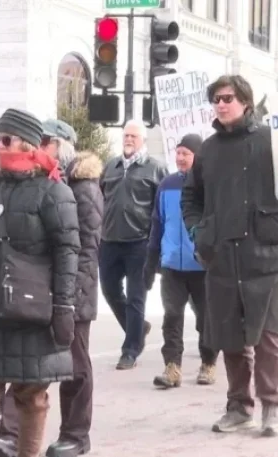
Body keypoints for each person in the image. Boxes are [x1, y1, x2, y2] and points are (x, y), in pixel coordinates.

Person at [0, 108, 80, 457]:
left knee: (31, 396)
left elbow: (69, 252)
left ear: (26, 143)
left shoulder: (53, 193)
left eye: (5, 139)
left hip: (32, 312)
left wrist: (64, 308)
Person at [181, 75, 278, 437]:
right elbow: (191, 198)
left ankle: (272, 407)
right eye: (216, 98)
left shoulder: (273, 142)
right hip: (222, 257)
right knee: (229, 334)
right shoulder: (209, 149)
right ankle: (238, 406)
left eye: (227, 97)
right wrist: (198, 232)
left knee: (268, 335)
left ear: (245, 101)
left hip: (269, 256)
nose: (220, 104)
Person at [0, 119, 103, 457]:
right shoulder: (40, 183)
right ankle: (10, 434)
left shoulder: (84, 189)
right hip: (35, 289)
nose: (40, 148)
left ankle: (76, 435)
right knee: (25, 361)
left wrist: (73, 301)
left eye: (47, 142)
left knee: (76, 365)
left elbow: (84, 250)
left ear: (63, 146)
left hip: (73, 292)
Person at [145, 134, 219, 389]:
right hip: (172, 266)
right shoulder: (166, 185)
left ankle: (208, 363)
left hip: (202, 265)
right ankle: (172, 367)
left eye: (186, 153)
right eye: (178, 152)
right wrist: (151, 260)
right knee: (172, 316)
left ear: (197, 157)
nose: (180, 157)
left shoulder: (209, 185)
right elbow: (157, 223)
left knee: (206, 318)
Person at [99, 119, 168, 370]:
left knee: (136, 297)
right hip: (109, 240)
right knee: (109, 290)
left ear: (143, 141)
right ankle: (137, 328)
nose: (129, 140)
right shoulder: (111, 166)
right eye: (126, 135)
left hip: (139, 243)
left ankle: (130, 349)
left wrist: (156, 242)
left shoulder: (155, 169)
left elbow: (162, 207)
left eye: (134, 137)